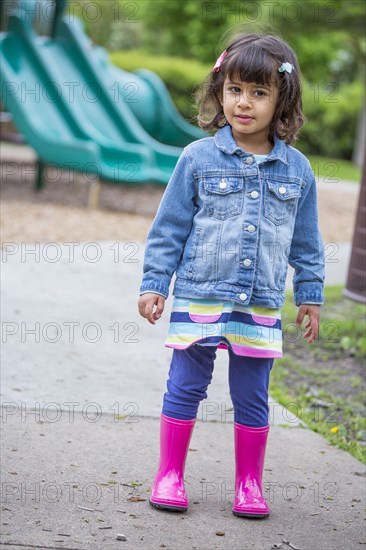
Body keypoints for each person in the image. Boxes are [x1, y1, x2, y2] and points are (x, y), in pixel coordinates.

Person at [138, 32, 324, 519]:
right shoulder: (197, 159)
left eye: (260, 93)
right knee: (185, 385)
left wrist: (310, 294)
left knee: (252, 394)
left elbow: (306, 242)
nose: (245, 103)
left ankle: (249, 485)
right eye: (235, 89)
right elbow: (169, 228)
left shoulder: (297, 171)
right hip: (200, 293)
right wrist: (155, 283)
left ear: (282, 99)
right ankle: (170, 473)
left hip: (259, 301)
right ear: (220, 92)